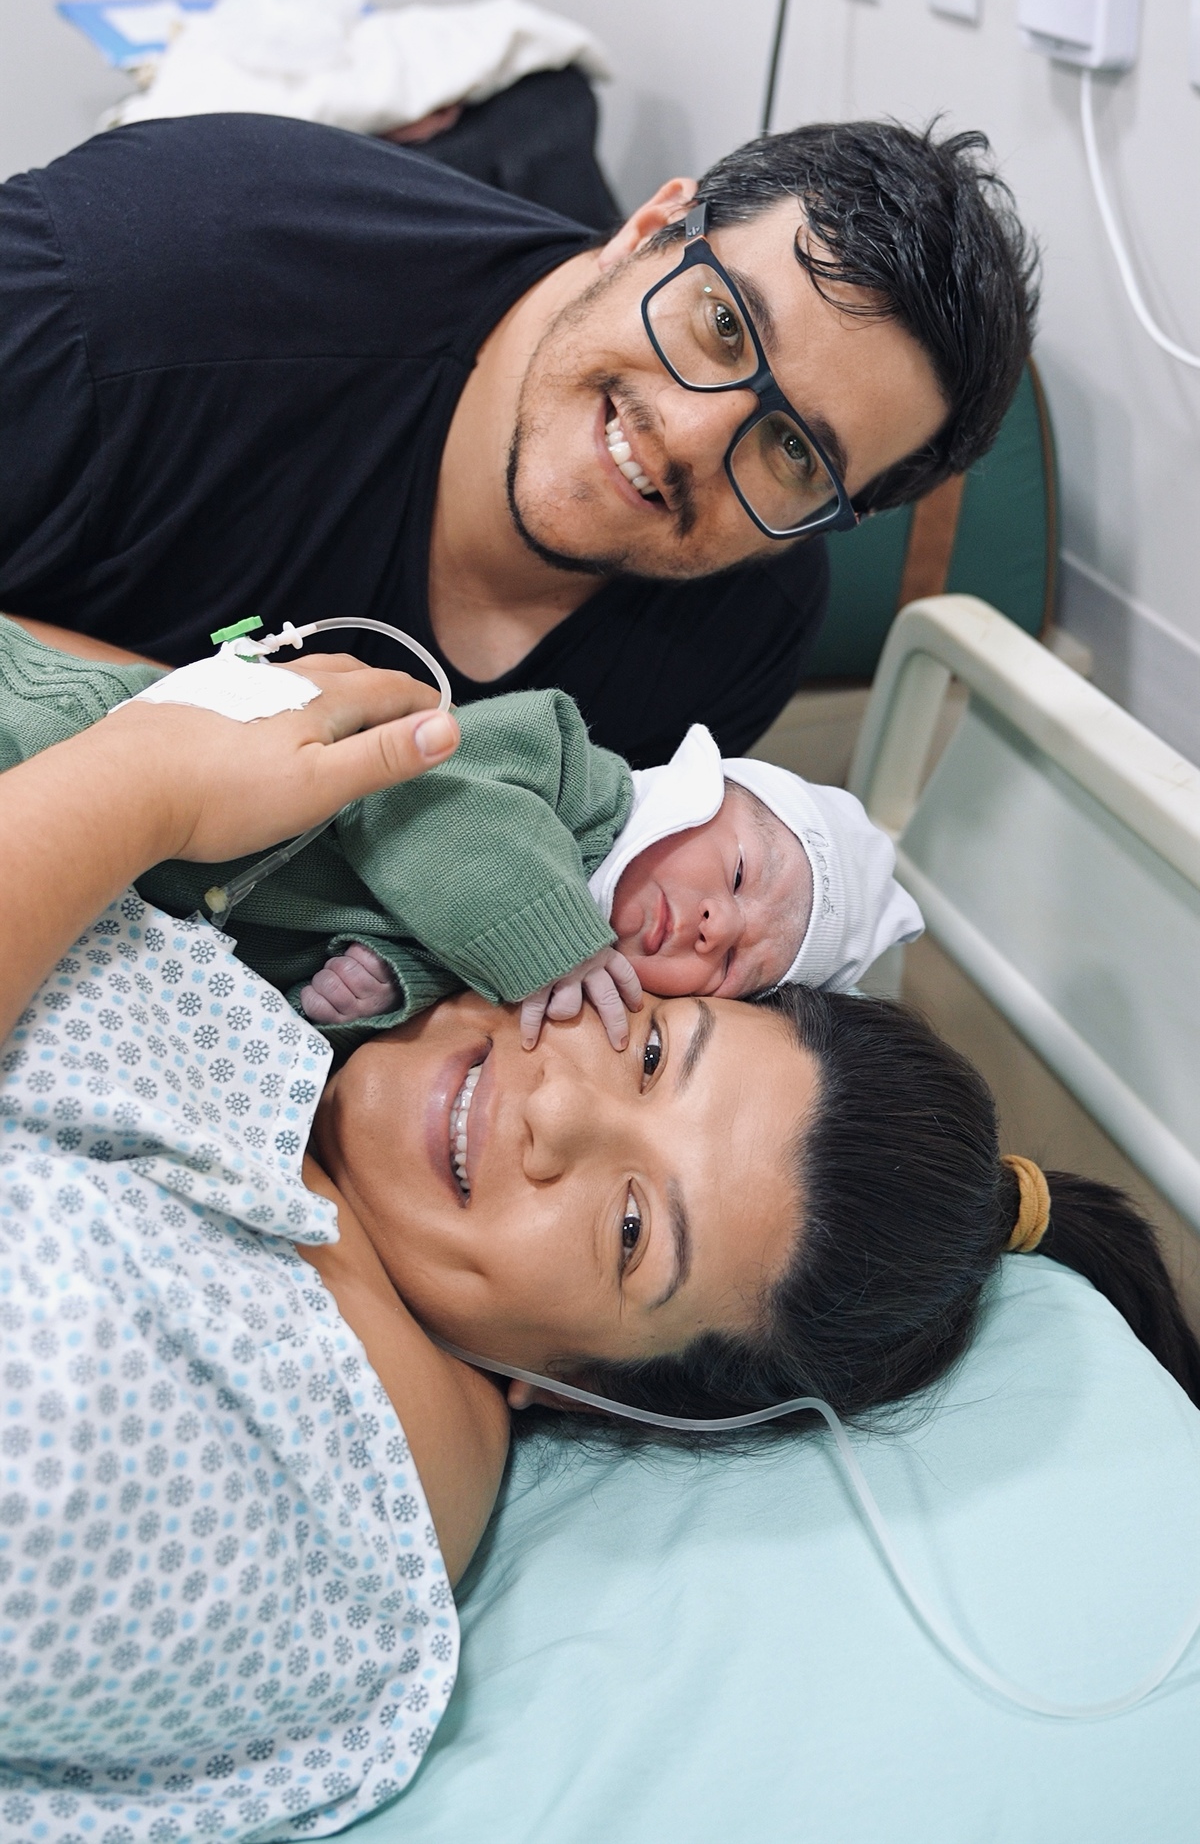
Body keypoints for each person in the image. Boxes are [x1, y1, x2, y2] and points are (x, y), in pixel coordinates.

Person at [4, 660, 1196, 1844]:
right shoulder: (298, 1085)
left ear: (587, 1388)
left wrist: (142, 789)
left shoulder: (271, 1472)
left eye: (631, 1232)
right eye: (650, 1051)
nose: (558, 1111)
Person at [0, 110, 1038, 765]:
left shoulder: (739, 631)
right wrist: (185, 734)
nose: (688, 433)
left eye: (794, 451)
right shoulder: (140, 282)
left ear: (835, 517)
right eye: (723, 324)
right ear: (650, 231)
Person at [0, 615, 921, 1050]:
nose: (717, 926)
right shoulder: (565, 764)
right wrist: (554, 945)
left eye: (737, 966)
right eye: (741, 873)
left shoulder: (558, 980)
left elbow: (417, 950)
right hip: (104, 745)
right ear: (697, 793)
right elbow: (415, 808)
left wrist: (385, 983)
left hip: (123, 902)